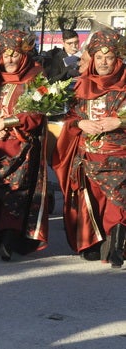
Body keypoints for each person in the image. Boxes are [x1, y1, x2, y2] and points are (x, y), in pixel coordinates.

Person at [0, 30, 49, 261]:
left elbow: (37, 113)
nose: (10, 60)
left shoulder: (36, 78)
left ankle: (9, 238)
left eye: (15, 54)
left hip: (22, 148)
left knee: (16, 193)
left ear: (23, 55)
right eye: (6, 55)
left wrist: (7, 122)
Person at [53, 28, 126, 267]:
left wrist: (120, 121)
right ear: (92, 57)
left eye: (109, 57)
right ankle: (92, 241)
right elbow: (70, 117)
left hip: (120, 156)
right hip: (87, 157)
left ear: (117, 59)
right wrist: (80, 123)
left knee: (118, 202)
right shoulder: (81, 84)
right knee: (91, 204)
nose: (104, 62)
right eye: (100, 56)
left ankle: (117, 245)